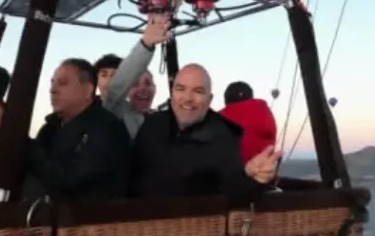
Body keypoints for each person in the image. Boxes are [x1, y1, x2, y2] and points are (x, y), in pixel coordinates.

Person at [0, 58, 131, 199]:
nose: (53, 90)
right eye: (52, 83)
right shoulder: (50, 128)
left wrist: (13, 136)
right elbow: (26, 166)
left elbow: (69, 179)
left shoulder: (108, 128)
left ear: (88, 90)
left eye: (62, 83)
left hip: (88, 222)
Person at [131, 64, 279, 198]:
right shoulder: (152, 125)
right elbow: (130, 176)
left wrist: (253, 179)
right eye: (180, 89)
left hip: (193, 225)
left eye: (198, 91)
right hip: (143, 223)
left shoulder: (224, 136)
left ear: (209, 100)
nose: (188, 98)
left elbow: (234, 191)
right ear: (172, 93)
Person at [99, 14, 169, 138]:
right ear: (125, 89)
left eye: (148, 83)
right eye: (134, 84)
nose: (143, 89)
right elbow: (115, 90)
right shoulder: (112, 112)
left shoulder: (162, 120)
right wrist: (146, 44)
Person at [219, 81, 279, 165]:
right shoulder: (265, 114)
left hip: (233, 175)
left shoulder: (220, 118)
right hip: (264, 174)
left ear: (226, 100)